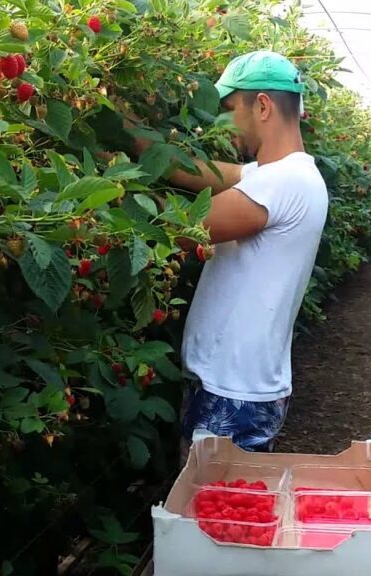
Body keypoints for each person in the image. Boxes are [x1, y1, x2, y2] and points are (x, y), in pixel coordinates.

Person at [129, 51, 329, 460]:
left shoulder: (285, 181)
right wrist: (129, 134)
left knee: (214, 517)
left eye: (227, 109)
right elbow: (198, 170)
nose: (222, 123)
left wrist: (112, 185)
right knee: (216, 510)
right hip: (236, 383)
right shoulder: (278, 175)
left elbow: (187, 228)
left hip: (234, 391)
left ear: (262, 106)